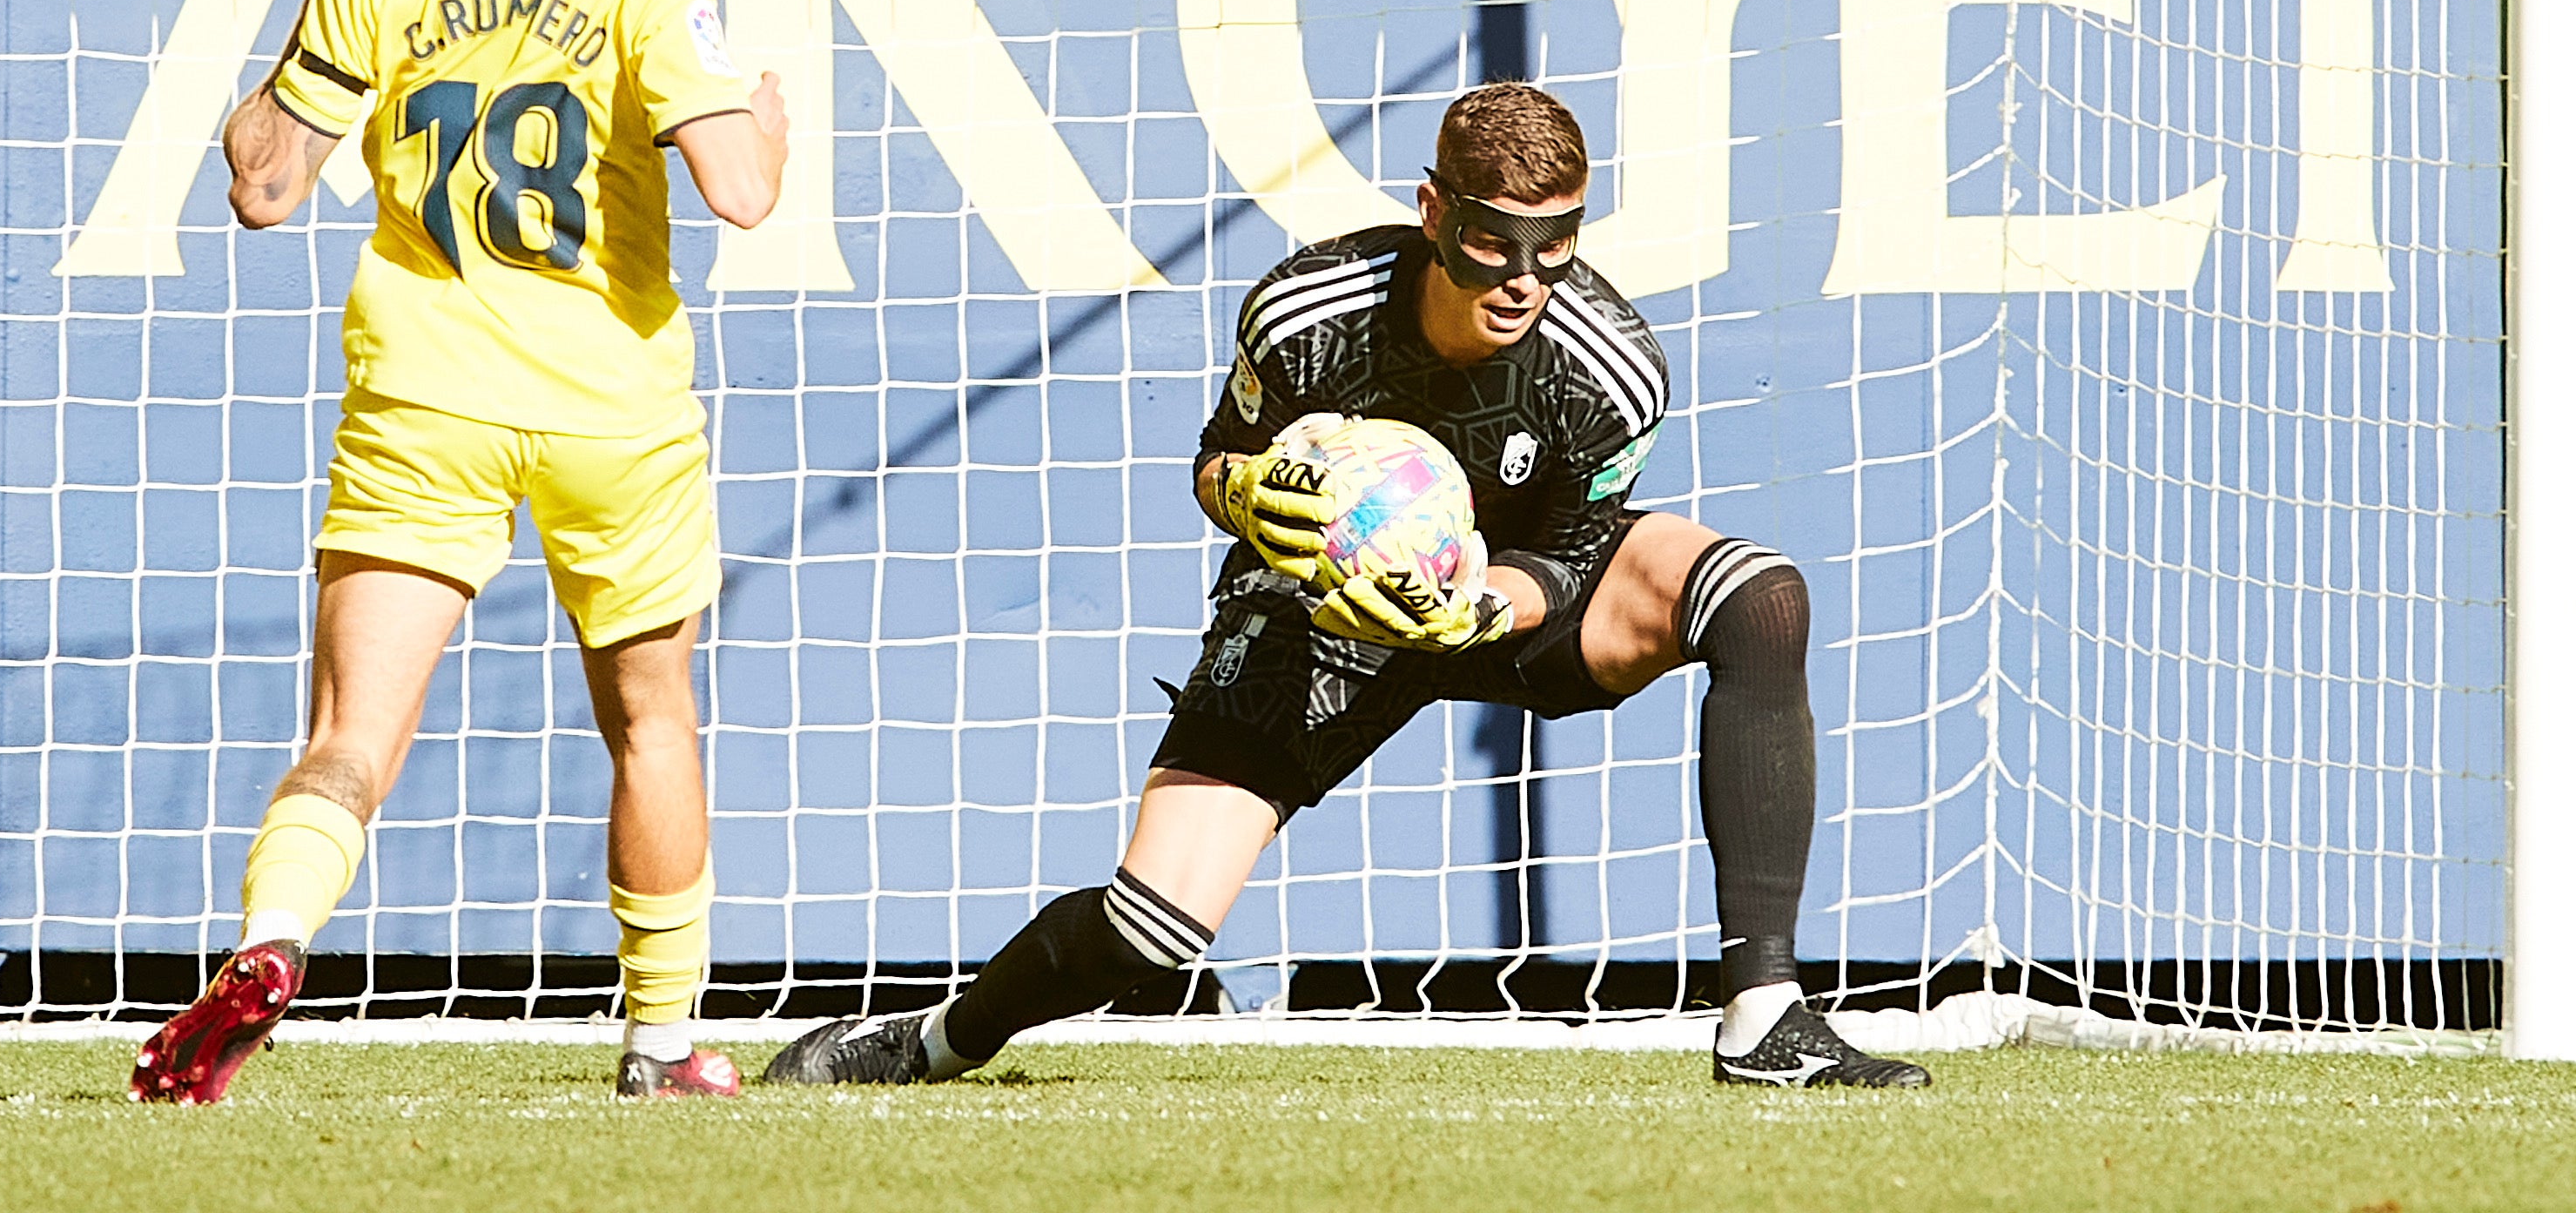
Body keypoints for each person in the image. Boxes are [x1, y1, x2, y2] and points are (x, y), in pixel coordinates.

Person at [763, 82, 1927, 1090]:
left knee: (1758, 596)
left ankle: (1767, 1016)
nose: (1525, 278)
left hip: (1504, 599)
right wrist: (1245, 496)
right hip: (1314, 613)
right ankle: (928, 1041)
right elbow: (1220, 456)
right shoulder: (1306, 313)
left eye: (1556, 243)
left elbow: (1572, 553)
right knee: (1153, 928)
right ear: (1433, 214)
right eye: (1492, 240)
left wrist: (1476, 606)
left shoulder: (1609, 369)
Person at [130, 0, 789, 1104]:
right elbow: (739, 189)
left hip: (423, 396)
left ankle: (276, 943)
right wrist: (771, 112)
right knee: (651, 718)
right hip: (607, 402)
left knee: (350, 739)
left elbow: (262, 184)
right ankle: (665, 1044)